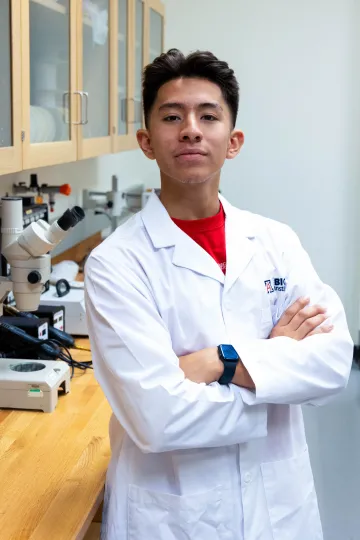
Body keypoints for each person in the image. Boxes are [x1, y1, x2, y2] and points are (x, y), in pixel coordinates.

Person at [84, 49, 353, 540]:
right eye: (172, 116)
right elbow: (159, 419)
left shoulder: (275, 241)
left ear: (233, 141)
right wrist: (275, 373)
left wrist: (217, 362)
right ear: (146, 141)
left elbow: (333, 363)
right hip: (175, 517)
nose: (191, 128)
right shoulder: (116, 264)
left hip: (279, 508)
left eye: (208, 116)